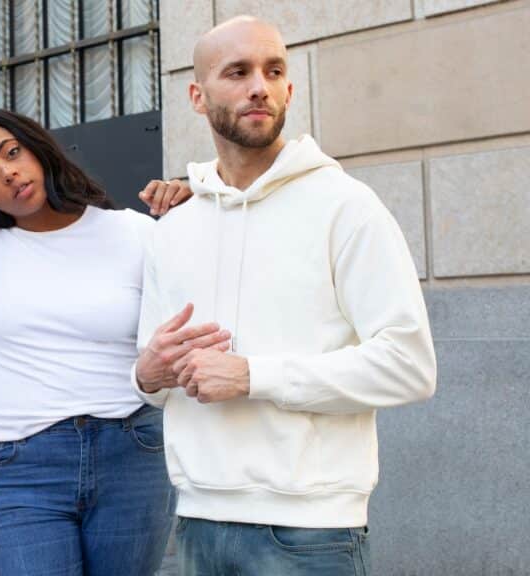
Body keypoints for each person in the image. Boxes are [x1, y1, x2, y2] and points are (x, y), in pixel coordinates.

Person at [0, 108, 231, 576]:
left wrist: (194, 200)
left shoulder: (133, 232)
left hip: (132, 453)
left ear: (37, 147)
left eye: (11, 152)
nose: (8, 174)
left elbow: (220, 274)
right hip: (23, 464)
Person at [133, 16, 437, 576]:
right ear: (197, 96)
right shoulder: (172, 227)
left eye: (274, 71)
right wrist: (146, 376)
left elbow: (409, 366)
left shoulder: (346, 206)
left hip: (311, 533)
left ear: (289, 90)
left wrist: (252, 375)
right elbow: (156, 386)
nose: (259, 86)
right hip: (198, 524)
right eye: (238, 71)